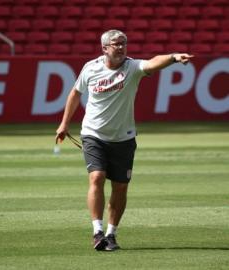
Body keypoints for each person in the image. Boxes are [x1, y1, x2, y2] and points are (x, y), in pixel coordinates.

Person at [55, 29, 193, 251]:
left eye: (123, 43)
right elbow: (75, 93)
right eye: (116, 44)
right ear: (104, 48)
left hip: (123, 138)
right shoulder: (90, 68)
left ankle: (111, 234)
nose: (120, 47)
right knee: (97, 177)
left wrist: (173, 57)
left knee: (120, 187)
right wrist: (64, 123)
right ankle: (97, 232)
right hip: (93, 134)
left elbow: (153, 62)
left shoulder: (132, 67)